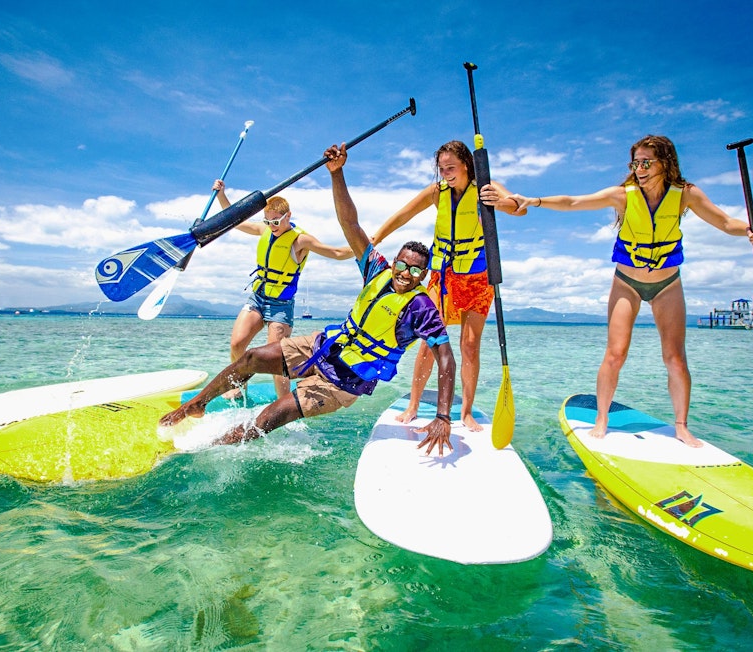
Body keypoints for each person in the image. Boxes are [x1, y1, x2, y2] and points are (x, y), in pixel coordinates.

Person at [160, 144, 458, 455]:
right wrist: (337, 173)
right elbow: (350, 224)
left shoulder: (422, 308)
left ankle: (199, 448)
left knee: (269, 417)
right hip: (325, 346)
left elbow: (446, 359)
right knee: (249, 359)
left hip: (344, 381)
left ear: (423, 275)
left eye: (414, 270)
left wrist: (442, 416)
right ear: (393, 261)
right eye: (401, 264)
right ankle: (195, 406)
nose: (405, 273)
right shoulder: (376, 270)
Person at [480, 134, 753, 447]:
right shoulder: (624, 196)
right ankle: (601, 417)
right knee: (615, 354)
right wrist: (534, 201)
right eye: (635, 163)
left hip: (667, 283)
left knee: (675, 359)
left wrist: (751, 232)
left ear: (666, 163)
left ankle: (682, 426)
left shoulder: (685, 194)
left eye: (647, 162)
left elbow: (725, 222)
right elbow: (575, 201)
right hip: (627, 283)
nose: (640, 168)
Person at [371, 140, 524, 431]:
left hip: (478, 278)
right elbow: (404, 214)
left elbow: (520, 209)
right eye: (441, 169)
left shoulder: (486, 186)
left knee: (469, 346)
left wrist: (497, 202)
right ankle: (413, 406)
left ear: (466, 164)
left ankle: (465, 412)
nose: (445, 174)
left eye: (450, 168)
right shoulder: (437, 193)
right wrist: (375, 238)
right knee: (429, 343)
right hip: (443, 279)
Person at [212, 179, 353, 399]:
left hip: (281, 306)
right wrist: (221, 195)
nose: (271, 227)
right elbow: (235, 221)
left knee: (275, 358)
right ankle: (240, 389)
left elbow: (336, 253)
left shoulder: (300, 240)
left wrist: (364, 244)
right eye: (267, 222)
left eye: (276, 222)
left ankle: (283, 403)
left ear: (288, 216)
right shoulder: (264, 230)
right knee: (237, 344)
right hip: (258, 298)